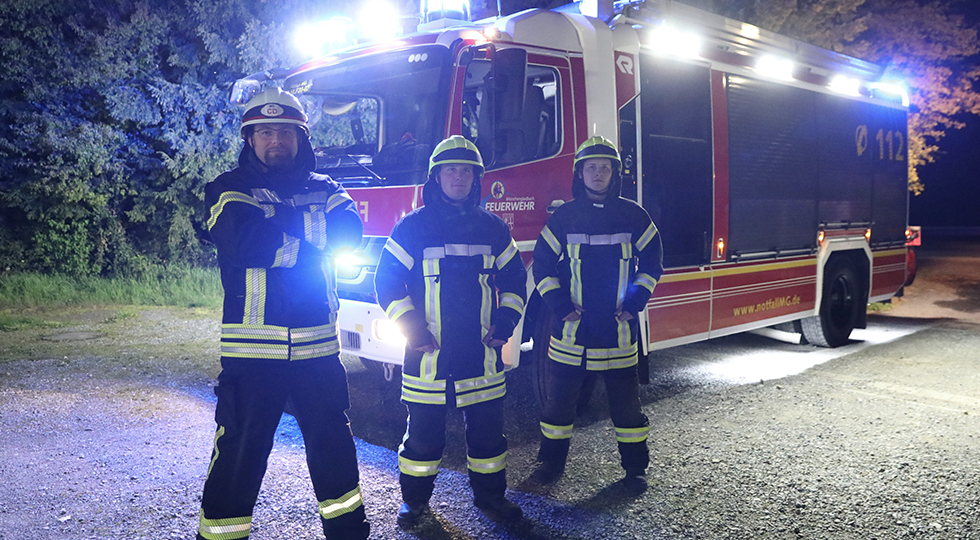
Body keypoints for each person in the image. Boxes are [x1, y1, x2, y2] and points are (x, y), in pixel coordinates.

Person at [196, 87, 370, 540]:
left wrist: (275, 228)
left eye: (287, 132)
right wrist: (314, 242)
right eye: (267, 132)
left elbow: (350, 236)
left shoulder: (327, 188)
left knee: (333, 448)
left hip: (317, 351)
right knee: (239, 453)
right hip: (253, 355)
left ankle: (349, 533)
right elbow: (245, 243)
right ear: (250, 139)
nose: (278, 140)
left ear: (301, 138)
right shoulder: (227, 188)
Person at [374, 135, 528, 528]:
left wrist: (506, 323)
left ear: (476, 178)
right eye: (450, 170)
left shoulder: (494, 229)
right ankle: (414, 504)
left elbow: (515, 279)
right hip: (429, 355)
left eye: (466, 170)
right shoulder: (412, 228)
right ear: (436, 177)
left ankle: (491, 499)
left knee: (488, 438)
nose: (458, 177)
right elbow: (387, 283)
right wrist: (412, 329)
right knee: (423, 438)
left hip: (481, 353)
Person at [531, 135, 664, 494]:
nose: (598, 173)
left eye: (605, 168)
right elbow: (541, 266)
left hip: (618, 332)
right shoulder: (565, 216)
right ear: (580, 173)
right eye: (592, 168)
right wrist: (560, 307)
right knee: (559, 406)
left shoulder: (634, 215)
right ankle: (549, 465)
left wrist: (635, 302)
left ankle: (635, 469)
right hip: (572, 334)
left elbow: (652, 262)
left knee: (627, 410)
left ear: (615, 174)